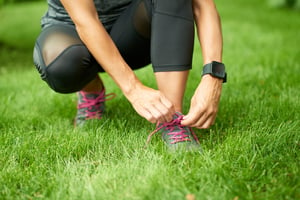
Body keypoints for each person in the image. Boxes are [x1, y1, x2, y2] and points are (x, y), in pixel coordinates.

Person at [33, 0, 226, 151]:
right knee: (60, 65)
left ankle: (171, 118)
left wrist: (213, 77)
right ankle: (91, 90)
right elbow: (86, 21)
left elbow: (203, 4)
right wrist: (134, 90)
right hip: (73, 29)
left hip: (133, 28)